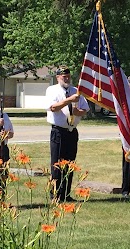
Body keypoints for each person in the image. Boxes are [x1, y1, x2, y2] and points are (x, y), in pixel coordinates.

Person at [46, 65, 90, 202]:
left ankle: (66, 194)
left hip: (72, 131)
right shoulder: (52, 90)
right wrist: (69, 101)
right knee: (57, 164)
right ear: (57, 77)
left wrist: (79, 112)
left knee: (70, 164)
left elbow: (85, 109)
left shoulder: (76, 91)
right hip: (58, 131)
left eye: (68, 76)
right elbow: (53, 107)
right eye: (63, 76)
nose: (66, 78)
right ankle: (55, 194)